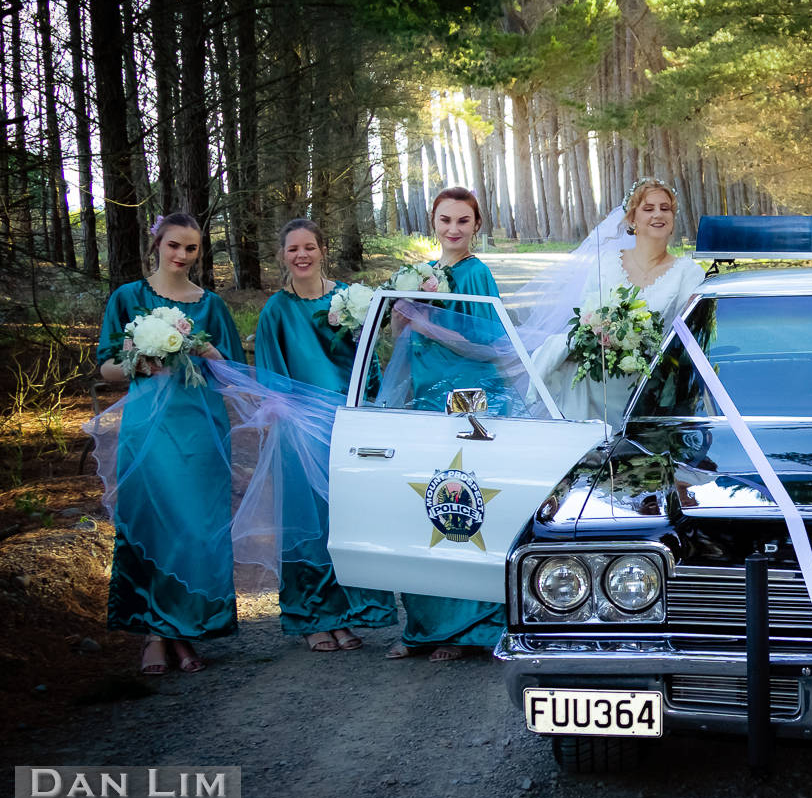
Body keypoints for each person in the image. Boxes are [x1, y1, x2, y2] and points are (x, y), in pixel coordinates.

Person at [93, 212, 245, 675]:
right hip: (150, 431)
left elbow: (233, 374)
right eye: (174, 245)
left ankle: (189, 628)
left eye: (191, 248)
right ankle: (156, 636)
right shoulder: (128, 298)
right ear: (156, 243)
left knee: (197, 530)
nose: (181, 256)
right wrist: (142, 359)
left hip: (200, 428)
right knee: (153, 525)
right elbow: (106, 368)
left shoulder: (211, 305)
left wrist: (206, 351)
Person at [254, 218, 398, 652]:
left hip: (346, 422)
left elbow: (368, 360)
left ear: (322, 250)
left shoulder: (348, 299)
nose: (302, 255)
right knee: (309, 523)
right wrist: (285, 413)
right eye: (293, 248)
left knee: (347, 516)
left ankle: (348, 615)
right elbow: (269, 373)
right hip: (298, 428)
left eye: (310, 247)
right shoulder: (276, 310)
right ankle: (314, 616)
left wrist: (370, 404)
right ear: (283, 255)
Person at [385, 187, 510, 662]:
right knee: (424, 501)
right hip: (424, 394)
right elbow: (400, 335)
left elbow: (486, 344)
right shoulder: (421, 274)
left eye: (463, 220)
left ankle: (467, 628)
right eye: (445, 220)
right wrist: (405, 315)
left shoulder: (476, 274)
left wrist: (427, 320)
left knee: (463, 504)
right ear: (432, 224)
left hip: (466, 396)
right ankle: (425, 625)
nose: (453, 229)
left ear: (476, 225)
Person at [528, 178, 704, 427]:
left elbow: (687, 340)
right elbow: (585, 316)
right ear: (632, 219)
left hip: (651, 387)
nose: (658, 214)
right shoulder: (607, 262)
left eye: (665, 209)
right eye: (648, 208)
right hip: (596, 384)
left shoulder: (688, 272)